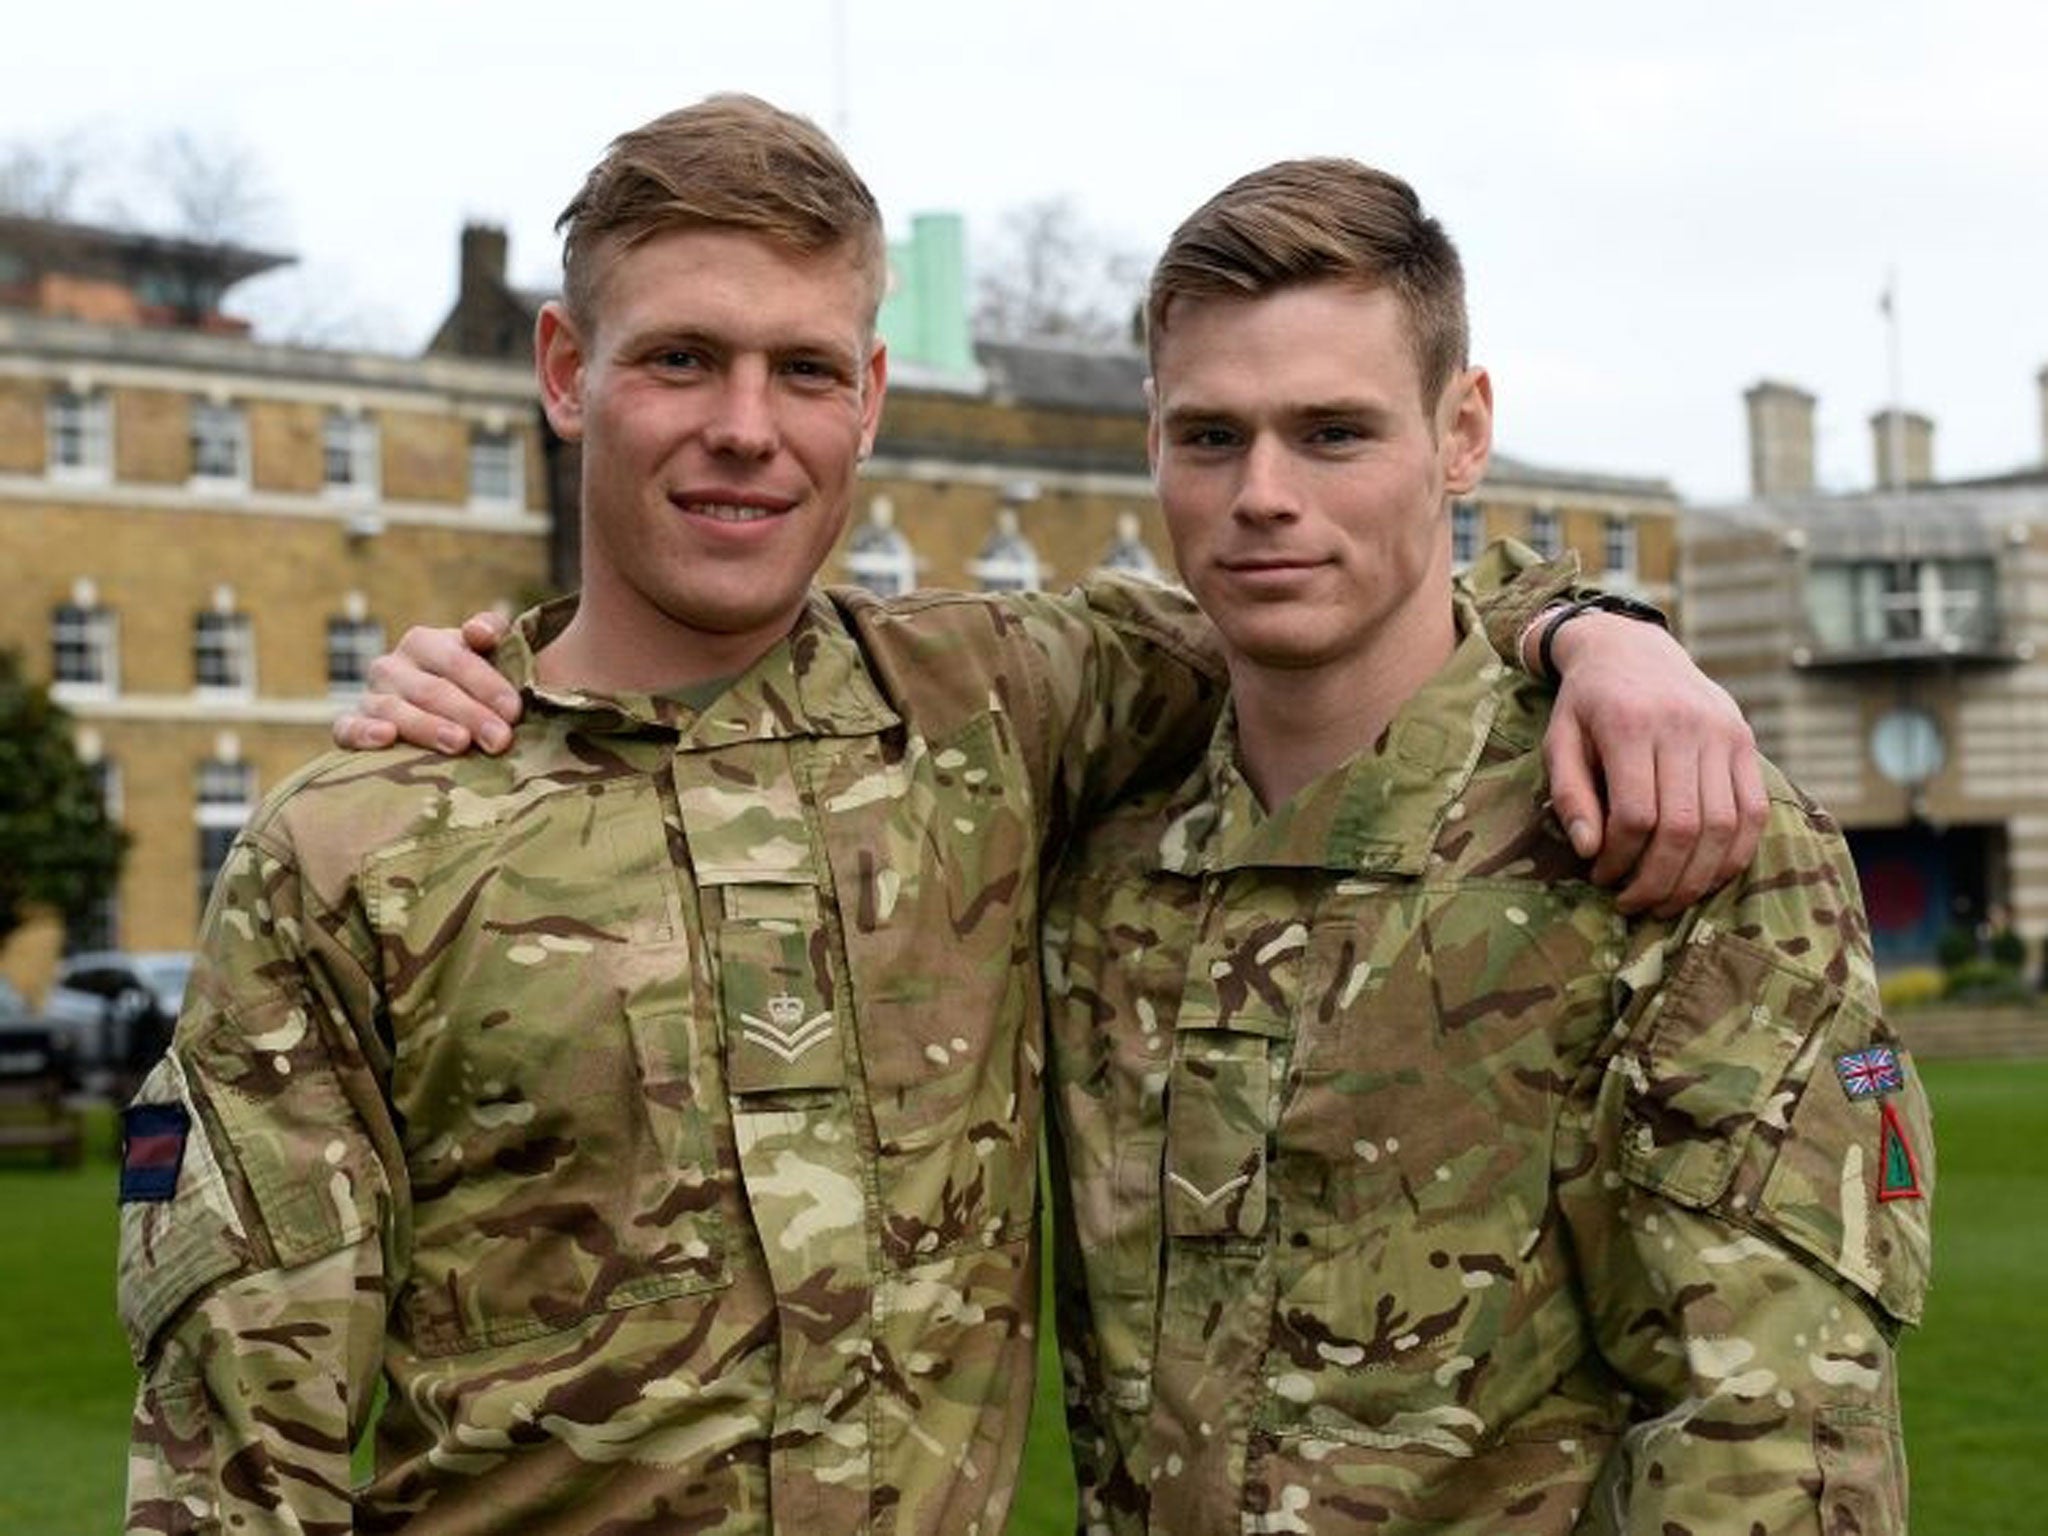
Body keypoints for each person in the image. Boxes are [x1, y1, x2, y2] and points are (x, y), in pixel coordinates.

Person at [121, 95, 1757, 1536]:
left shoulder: (1003, 702)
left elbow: (1334, 606)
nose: (745, 427)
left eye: (804, 369)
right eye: (682, 356)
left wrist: (1600, 634)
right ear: (569, 372)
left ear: (874, 396)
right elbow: (230, 1470)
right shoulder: (362, 841)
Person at [1040, 158, 1932, 1533]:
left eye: (1333, 433)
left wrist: (1593, 633)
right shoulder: (1107, 845)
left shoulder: (1666, 833)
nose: (1262, 494)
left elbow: (1771, 1436)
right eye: (1210, 437)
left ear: (1463, 436)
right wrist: (1581, 620)